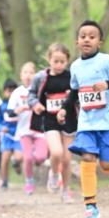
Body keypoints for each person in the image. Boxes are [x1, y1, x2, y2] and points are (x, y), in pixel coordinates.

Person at [57, 20, 109, 218]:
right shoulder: (76, 66)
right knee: (87, 158)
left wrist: (107, 84)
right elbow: (74, 91)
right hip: (87, 124)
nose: (87, 39)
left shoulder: (106, 61)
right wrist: (64, 108)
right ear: (77, 41)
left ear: (100, 41)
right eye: (83, 36)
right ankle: (90, 207)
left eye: (92, 36)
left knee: (106, 166)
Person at [28, 43, 78, 203]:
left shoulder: (72, 77)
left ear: (67, 61)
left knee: (67, 159)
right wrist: (35, 104)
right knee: (56, 153)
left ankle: (65, 191)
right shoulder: (41, 77)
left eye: (62, 61)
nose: (58, 65)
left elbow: (78, 96)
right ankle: (55, 174)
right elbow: (31, 95)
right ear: (49, 59)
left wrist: (73, 97)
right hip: (49, 120)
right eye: (55, 61)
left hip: (69, 120)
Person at [9, 61, 48, 195]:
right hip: (24, 131)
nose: (28, 76)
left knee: (41, 157)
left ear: (35, 75)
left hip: (39, 130)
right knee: (28, 157)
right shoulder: (17, 92)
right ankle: (29, 182)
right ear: (21, 75)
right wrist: (18, 110)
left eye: (31, 73)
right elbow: (8, 113)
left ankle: (36, 163)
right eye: (25, 72)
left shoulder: (39, 90)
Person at [0, 78, 20, 189]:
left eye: (13, 91)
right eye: (8, 90)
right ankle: (4, 181)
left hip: (18, 135)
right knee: (4, 159)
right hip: (6, 136)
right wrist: (1, 127)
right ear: (4, 91)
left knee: (19, 157)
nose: (11, 93)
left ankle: (16, 163)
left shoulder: (20, 105)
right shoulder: (2, 106)